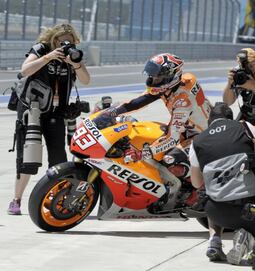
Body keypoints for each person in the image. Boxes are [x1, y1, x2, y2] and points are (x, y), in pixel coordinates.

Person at [7, 23, 90, 215]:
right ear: (53, 39)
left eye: (69, 41)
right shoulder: (41, 49)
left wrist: (75, 63)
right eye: (61, 42)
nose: (65, 45)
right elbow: (25, 70)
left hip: (57, 113)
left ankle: (56, 197)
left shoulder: (72, 55)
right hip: (32, 111)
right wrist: (49, 57)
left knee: (59, 158)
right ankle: (16, 200)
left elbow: (86, 80)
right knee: (28, 157)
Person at [100, 53, 212, 184]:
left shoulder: (183, 100)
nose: (152, 79)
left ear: (171, 76)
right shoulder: (171, 86)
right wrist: (111, 112)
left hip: (202, 136)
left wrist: (142, 154)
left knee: (171, 160)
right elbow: (138, 101)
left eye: (157, 77)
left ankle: (196, 190)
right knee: (143, 135)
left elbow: (172, 138)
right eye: (152, 75)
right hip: (185, 128)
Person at [189, 102, 255, 264]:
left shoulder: (197, 142)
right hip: (250, 208)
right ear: (231, 118)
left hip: (218, 213)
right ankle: (247, 237)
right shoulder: (246, 127)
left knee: (207, 191)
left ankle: (215, 241)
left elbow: (196, 183)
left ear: (210, 121)